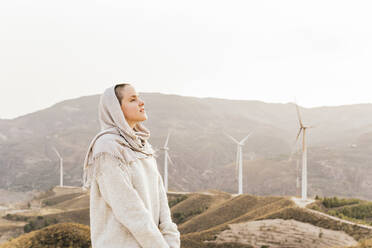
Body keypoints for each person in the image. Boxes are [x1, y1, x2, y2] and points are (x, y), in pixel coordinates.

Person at [82, 83, 181, 248]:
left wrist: (171, 240)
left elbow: (161, 201)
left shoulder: (142, 146)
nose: (141, 102)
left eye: (139, 97)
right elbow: (129, 210)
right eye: (132, 99)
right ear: (116, 109)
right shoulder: (108, 148)